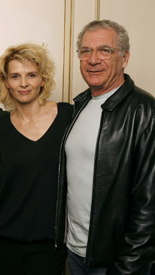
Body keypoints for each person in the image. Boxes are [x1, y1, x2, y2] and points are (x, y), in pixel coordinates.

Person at [55, 19, 155, 274]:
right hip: (76, 254)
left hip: (116, 263)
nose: (93, 59)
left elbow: (149, 204)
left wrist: (128, 266)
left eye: (104, 50)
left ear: (125, 57)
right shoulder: (81, 105)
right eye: (85, 51)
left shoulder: (145, 111)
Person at [0, 43, 71, 275]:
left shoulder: (67, 116)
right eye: (15, 76)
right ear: (6, 82)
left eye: (31, 75)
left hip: (50, 240)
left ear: (43, 80)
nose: (24, 83)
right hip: (8, 239)